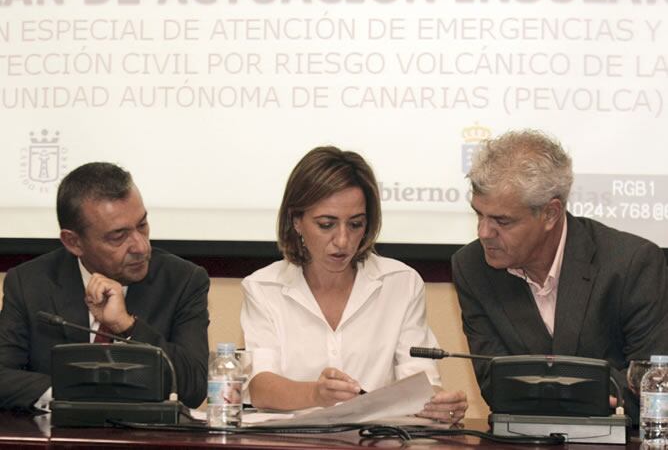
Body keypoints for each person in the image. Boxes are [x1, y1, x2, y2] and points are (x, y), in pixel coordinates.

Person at [241, 146, 468, 422]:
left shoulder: (401, 284)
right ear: (296, 221)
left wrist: (438, 404)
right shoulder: (263, 287)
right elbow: (261, 387)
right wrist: (316, 394)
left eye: (355, 224)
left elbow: (419, 379)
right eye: (326, 224)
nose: (343, 241)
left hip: (375, 441)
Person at [452, 129, 668, 419]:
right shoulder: (472, 267)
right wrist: (589, 387)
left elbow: (650, 382)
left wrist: (548, 388)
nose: (483, 233)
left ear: (551, 214)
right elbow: (497, 384)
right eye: (479, 214)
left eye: (502, 221)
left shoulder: (631, 264)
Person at [0, 162, 210, 410]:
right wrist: (72, 393)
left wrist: (126, 325)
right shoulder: (30, 283)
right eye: (118, 236)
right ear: (73, 242)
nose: (141, 247)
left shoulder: (182, 281)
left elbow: (194, 388)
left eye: (142, 225)